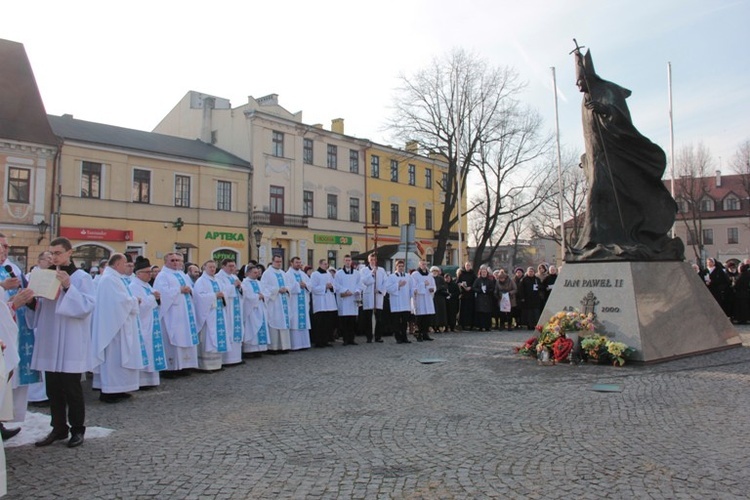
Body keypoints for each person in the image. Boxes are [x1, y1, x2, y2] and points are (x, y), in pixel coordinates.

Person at [568, 46, 683, 261]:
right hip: (597, 160)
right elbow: (590, 135)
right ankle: (595, 242)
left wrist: (605, 111)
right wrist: (586, 159)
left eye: (580, 80)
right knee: (599, 194)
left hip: (618, 157)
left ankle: (606, 240)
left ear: (589, 76)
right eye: (576, 82)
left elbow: (623, 121)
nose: (578, 85)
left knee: (605, 193)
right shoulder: (584, 101)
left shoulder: (608, 91)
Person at [27, 237, 95, 448]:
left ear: (69, 253)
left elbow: (86, 305)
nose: (54, 257)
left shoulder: (81, 277)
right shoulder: (46, 275)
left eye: (57, 253)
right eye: (51, 253)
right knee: (53, 388)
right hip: (50, 336)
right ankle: (58, 427)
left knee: (71, 388)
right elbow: (40, 307)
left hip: (70, 337)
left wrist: (67, 287)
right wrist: (31, 299)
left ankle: (77, 429)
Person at [91, 253, 146, 403]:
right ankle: (109, 391)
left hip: (120, 324)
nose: (127, 266)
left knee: (120, 358)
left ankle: (120, 388)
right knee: (113, 358)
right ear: (116, 265)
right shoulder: (109, 279)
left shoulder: (115, 278)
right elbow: (118, 302)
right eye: (124, 263)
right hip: (113, 328)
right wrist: (135, 300)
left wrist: (132, 301)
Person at [0, 233, 38, 439]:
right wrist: (8, 295)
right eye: (2, 246)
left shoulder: (12, 269)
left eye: (7, 246)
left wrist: (28, 300)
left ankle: (2, 421)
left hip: (12, 326)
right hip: (4, 326)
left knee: (7, 378)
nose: (6, 249)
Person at [153, 252, 199, 375]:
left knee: (185, 336)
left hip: (185, 312)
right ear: (165, 261)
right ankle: (171, 368)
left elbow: (191, 289)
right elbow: (162, 293)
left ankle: (184, 366)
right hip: (171, 313)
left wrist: (189, 290)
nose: (175, 262)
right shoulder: (162, 276)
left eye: (178, 260)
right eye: (172, 260)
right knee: (172, 337)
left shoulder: (182, 275)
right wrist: (179, 290)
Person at [130, 257, 166, 388]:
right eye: (147, 272)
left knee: (152, 349)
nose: (150, 274)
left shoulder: (146, 285)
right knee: (145, 349)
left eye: (150, 272)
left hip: (151, 322)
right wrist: (153, 298)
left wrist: (156, 298)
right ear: (138, 273)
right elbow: (139, 306)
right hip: (143, 323)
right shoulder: (134, 286)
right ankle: (142, 380)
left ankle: (151, 379)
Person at [193, 260, 230, 370]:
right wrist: (214, 295)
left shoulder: (218, 280)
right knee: (209, 336)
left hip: (219, 312)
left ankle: (218, 364)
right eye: (210, 267)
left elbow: (224, 292)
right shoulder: (201, 281)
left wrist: (223, 295)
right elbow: (199, 297)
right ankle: (206, 365)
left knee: (218, 336)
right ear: (204, 267)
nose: (212, 269)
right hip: (208, 314)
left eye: (214, 267)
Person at [261, 255, 294, 353]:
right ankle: (273, 347)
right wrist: (277, 290)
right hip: (274, 303)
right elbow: (264, 287)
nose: (279, 263)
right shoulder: (267, 273)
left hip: (284, 302)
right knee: (274, 323)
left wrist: (287, 289)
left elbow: (289, 285)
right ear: (272, 261)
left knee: (284, 324)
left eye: (280, 261)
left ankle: (284, 347)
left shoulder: (283, 273)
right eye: (277, 261)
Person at [216, 259, 244, 365]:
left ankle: (236, 358)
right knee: (229, 330)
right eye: (230, 266)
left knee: (236, 331)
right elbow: (223, 291)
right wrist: (233, 286)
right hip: (227, 308)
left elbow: (241, 290)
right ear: (223, 266)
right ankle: (227, 359)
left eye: (234, 266)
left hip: (236, 307)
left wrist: (240, 287)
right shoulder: (219, 277)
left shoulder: (234, 277)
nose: (232, 268)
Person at [240, 265, 269, 356]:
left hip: (260, 308)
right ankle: (249, 350)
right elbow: (246, 296)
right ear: (248, 273)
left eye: (258, 273)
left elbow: (266, 292)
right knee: (251, 328)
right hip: (251, 310)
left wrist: (263, 296)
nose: (257, 274)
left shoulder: (259, 283)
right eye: (255, 272)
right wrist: (257, 296)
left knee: (260, 327)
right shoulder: (245, 283)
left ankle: (259, 349)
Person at [309, 259, 337, 348]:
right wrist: (324, 287)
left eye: (327, 264)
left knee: (327, 323)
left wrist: (332, 287)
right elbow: (313, 288)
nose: (326, 265)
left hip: (329, 302)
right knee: (319, 324)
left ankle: (326, 340)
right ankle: (318, 341)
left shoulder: (329, 274)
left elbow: (335, 285)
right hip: (320, 303)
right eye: (325, 264)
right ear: (320, 264)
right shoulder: (315, 274)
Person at [359, 253, 386, 343]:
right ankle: (369, 337)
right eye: (371, 260)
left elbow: (385, 282)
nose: (373, 261)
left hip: (378, 296)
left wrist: (380, 290)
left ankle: (378, 336)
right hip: (368, 296)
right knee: (368, 318)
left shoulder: (381, 270)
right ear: (368, 260)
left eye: (374, 260)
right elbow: (364, 281)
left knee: (379, 318)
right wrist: (371, 274)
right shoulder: (364, 270)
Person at [334, 255, 361, 346]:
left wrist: (357, 291)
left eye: (349, 260)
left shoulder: (357, 273)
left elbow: (359, 284)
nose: (348, 262)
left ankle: (351, 339)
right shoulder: (339, 273)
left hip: (353, 298)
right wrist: (345, 290)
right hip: (344, 299)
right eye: (346, 260)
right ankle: (345, 339)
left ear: (351, 261)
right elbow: (336, 285)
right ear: (343, 261)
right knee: (344, 321)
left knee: (352, 321)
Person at [286, 257, 312, 350]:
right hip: (294, 302)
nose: (298, 264)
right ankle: (295, 345)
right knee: (295, 322)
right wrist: (298, 285)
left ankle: (305, 344)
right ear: (291, 263)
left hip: (303, 301)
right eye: (296, 262)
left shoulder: (303, 274)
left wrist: (306, 285)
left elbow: (310, 285)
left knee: (303, 321)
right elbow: (287, 287)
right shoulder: (287, 274)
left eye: (299, 262)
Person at [386, 260, 412, 344]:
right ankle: (398, 337)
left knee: (404, 322)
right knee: (396, 322)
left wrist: (413, 294)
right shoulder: (391, 277)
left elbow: (412, 288)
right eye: (399, 266)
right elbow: (388, 288)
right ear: (396, 267)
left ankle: (405, 337)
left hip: (405, 302)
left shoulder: (408, 276)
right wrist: (398, 285)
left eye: (402, 266)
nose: (401, 268)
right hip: (396, 303)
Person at [411, 260, 436, 341]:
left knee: (427, 317)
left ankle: (425, 334)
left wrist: (433, 289)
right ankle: (418, 334)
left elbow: (433, 285)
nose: (424, 265)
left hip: (428, 298)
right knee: (419, 318)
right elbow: (413, 287)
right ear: (419, 264)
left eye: (425, 264)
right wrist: (423, 285)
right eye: (422, 264)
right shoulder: (415, 274)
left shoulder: (429, 275)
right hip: (420, 299)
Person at [472, 266, 495, 331]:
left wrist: (487, 290)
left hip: (488, 298)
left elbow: (492, 288)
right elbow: (474, 288)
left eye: (485, 272)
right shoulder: (477, 280)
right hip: (480, 298)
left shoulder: (489, 281)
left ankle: (487, 326)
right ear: (480, 273)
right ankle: (480, 326)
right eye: (483, 272)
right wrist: (480, 290)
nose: (484, 273)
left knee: (487, 313)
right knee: (480, 313)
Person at [456, 262, 476, 330]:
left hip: (471, 294)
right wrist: (461, 285)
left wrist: (471, 288)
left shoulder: (473, 274)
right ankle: (462, 324)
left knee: (470, 310)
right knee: (463, 310)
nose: (468, 266)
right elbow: (457, 282)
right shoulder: (461, 274)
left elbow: (475, 283)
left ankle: (471, 324)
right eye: (467, 265)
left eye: (469, 265)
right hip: (463, 294)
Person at [431, 266, 448, 333]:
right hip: (433, 297)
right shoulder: (430, 278)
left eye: (436, 271)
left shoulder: (441, 278)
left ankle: (440, 325)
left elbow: (444, 286)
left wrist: (438, 288)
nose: (435, 272)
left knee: (440, 313)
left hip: (440, 297)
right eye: (433, 271)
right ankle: (433, 325)